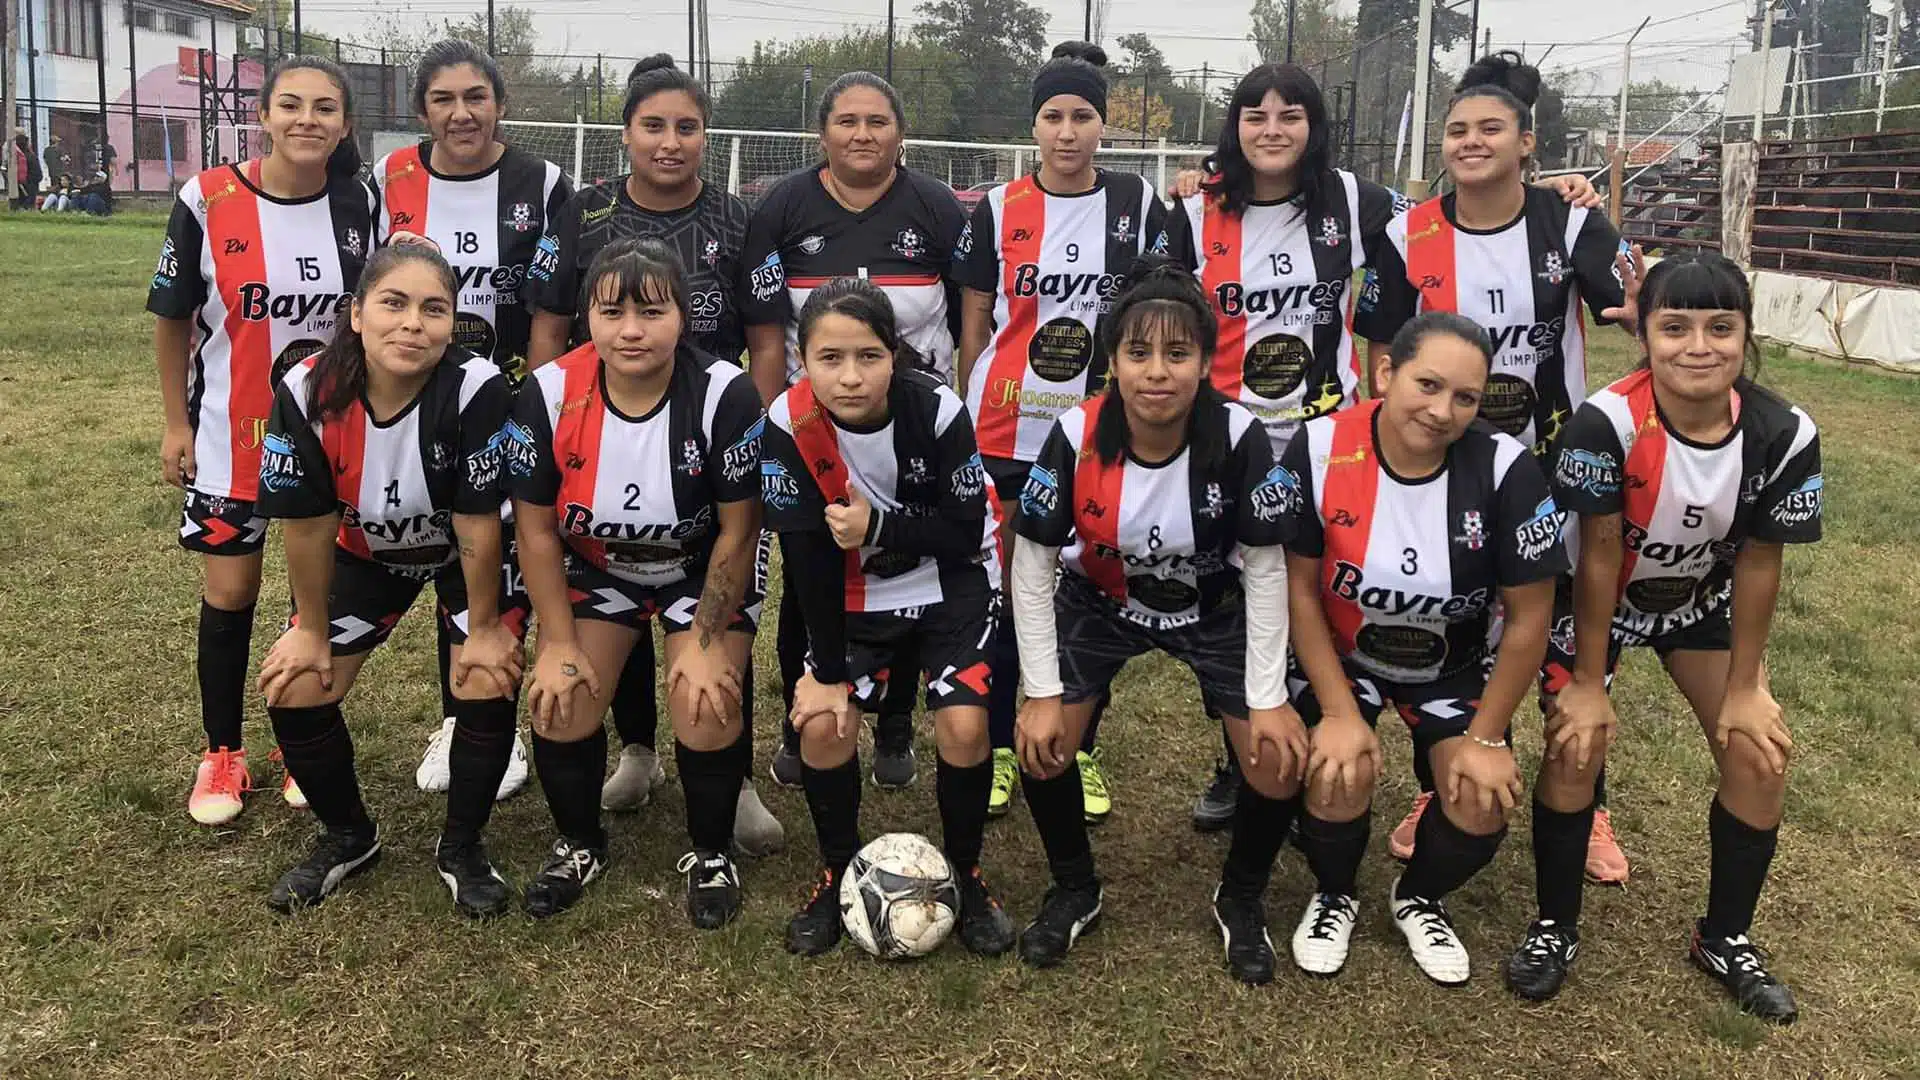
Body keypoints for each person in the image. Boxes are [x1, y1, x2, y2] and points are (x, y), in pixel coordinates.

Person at [1511, 253, 1818, 1020]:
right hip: (1595, 602)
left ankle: (1725, 936)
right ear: (1644, 333)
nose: (1698, 346)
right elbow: (1601, 555)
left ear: (1747, 335)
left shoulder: (1785, 431)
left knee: (1759, 755)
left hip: (1695, 603)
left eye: (1722, 327)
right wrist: (1586, 682)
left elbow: (1758, 562)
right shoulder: (1606, 421)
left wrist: (1746, 690)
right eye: (1674, 327)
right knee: (1576, 745)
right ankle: (1555, 923)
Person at [1353, 52, 1631, 883]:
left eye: (1490, 129)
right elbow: (1383, 352)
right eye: (1457, 130)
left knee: (1571, 635)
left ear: (1526, 142)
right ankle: (1446, 776)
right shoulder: (1409, 233)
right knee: (1464, 626)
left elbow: (1631, 304)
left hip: (1550, 468)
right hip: (1444, 462)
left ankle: (1588, 798)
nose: (1471, 143)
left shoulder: (1570, 223)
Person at [1006, 260, 1295, 977]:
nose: (1157, 372)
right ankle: (1075, 888)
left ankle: (1242, 897)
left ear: (1206, 360)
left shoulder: (1240, 435)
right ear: (1112, 362)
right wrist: (1041, 690)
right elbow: (1033, 562)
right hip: (1100, 599)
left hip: (1213, 605)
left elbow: (1264, 568)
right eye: (1138, 353)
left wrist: (1268, 697)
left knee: (1276, 758)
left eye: (1177, 353)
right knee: (1041, 745)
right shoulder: (1074, 434)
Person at [523, 55, 781, 852]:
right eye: (653, 125)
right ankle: (636, 751)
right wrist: (554, 425)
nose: (671, 142)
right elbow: (544, 328)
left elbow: (768, 340)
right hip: (603, 434)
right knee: (614, 588)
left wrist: (752, 435)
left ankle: (727, 776)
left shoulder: (740, 220)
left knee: (706, 615)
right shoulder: (583, 212)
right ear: (626, 133)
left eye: (687, 127)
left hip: (707, 437)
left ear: (707, 135)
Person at [1271, 311, 1565, 985]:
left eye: (1465, 397)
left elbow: (1529, 619)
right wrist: (1340, 713)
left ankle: (1418, 897)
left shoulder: (1507, 469)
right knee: (1338, 769)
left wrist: (1487, 739)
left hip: (1451, 666)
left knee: (1480, 799)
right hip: (1344, 657)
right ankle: (1335, 892)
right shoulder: (1317, 449)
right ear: (1384, 373)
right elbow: (1301, 591)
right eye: (1427, 385)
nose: (1442, 411)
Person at [253, 245, 523, 916]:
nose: (412, 325)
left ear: (453, 321)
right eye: (393, 304)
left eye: (434, 309)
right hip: (366, 554)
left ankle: (462, 845)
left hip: (466, 553)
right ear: (355, 315)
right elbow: (309, 524)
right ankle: (348, 837)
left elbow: (477, 519)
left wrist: (485, 628)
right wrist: (311, 629)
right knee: (296, 687)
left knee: (485, 678)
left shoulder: (478, 387)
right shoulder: (308, 391)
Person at [506, 237, 766, 924]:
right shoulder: (550, 390)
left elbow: (739, 533)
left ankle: (712, 850)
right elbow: (534, 531)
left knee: (705, 699)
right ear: (586, 315)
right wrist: (558, 643)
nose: (630, 330)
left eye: (651, 312)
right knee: (560, 699)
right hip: (598, 565)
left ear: (683, 316)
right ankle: (580, 845)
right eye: (610, 311)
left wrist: (708, 638)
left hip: (699, 567)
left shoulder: (724, 392)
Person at [149, 55, 376, 826]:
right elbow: (172, 316)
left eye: (323, 108)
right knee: (231, 594)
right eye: (290, 105)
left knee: (314, 595)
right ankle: (222, 752)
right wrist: (177, 423)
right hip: (226, 441)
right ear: (265, 115)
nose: (306, 120)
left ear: (344, 123)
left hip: (331, 443)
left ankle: (296, 745)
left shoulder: (361, 205)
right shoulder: (207, 196)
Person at [761, 276, 1016, 957]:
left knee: (964, 725)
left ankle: (965, 875)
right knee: (820, 719)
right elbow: (807, 557)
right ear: (803, 360)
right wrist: (826, 670)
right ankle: (836, 870)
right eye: (830, 358)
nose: (850, 377)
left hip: (949, 578)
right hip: (852, 589)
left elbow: (966, 534)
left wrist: (878, 525)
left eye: (868, 357)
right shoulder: (788, 424)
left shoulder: (935, 410)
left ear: (894, 355)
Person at [956, 41, 1170, 826]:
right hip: (1007, 431)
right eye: (1053, 116)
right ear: (1035, 125)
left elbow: (1158, 311)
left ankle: (1078, 743)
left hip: (1099, 434)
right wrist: (969, 406)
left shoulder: (1141, 208)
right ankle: (1011, 739)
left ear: (1104, 127)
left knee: (1088, 591)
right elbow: (976, 323)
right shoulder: (999, 210)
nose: (1068, 131)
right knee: (1014, 588)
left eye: (1083, 116)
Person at [742, 71, 970, 793]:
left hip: (911, 425)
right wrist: (777, 415)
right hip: (814, 429)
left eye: (877, 121)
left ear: (900, 133)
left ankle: (896, 723)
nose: (862, 134)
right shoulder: (784, 205)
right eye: (847, 121)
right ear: (823, 134)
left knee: (903, 572)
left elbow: (971, 312)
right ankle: (802, 710)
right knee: (809, 573)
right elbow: (768, 328)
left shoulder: (937, 207)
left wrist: (953, 403)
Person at [373, 39, 573, 805]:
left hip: (507, 402)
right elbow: (370, 296)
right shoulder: (386, 179)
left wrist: (538, 403)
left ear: (500, 104)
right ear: (421, 109)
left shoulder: (545, 183)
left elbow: (551, 310)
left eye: (476, 98)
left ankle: (490, 717)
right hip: (410, 404)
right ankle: (459, 720)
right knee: (444, 551)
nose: (462, 114)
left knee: (496, 556)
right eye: (444, 99)